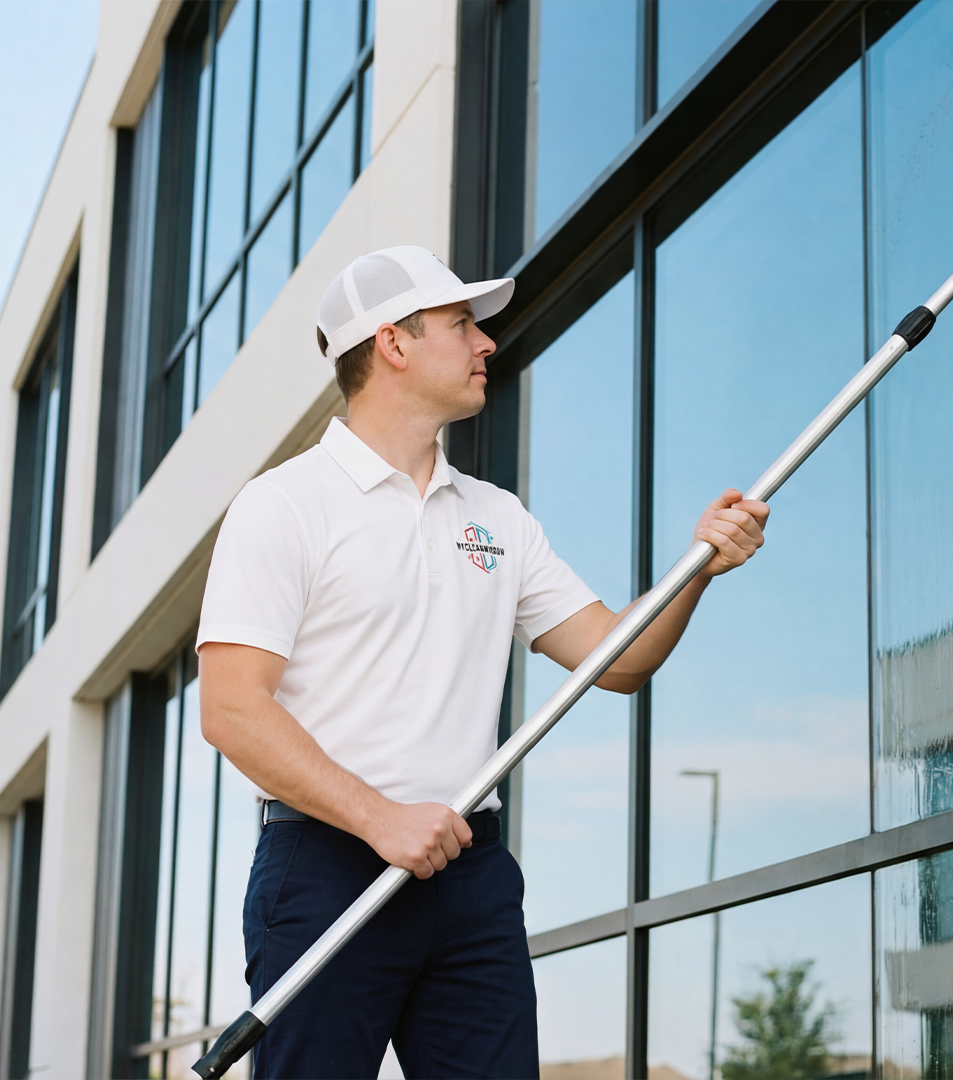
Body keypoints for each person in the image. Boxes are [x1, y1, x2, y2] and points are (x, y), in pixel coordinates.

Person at [196, 246, 771, 1079]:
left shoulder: (495, 517)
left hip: (470, 880)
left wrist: (698, 569)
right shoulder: (284, 505)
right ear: (393, 343)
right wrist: (380, 819)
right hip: (324, 868)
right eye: (462, 324)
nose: (486, 343)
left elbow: (620, 658)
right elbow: (233, 710)